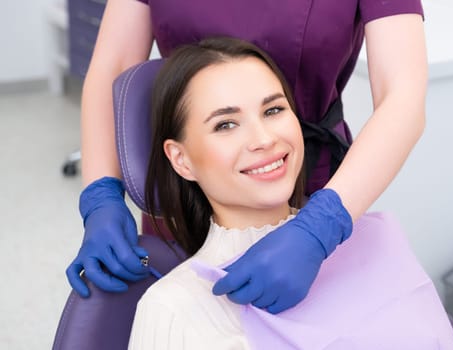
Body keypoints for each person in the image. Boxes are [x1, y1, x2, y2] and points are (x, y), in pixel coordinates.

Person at [67, 0, 427, 314]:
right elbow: (113, 67)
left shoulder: (323, 222)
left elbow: (403, 96)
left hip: (309, 195)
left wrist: (321, 227)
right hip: (189, 193)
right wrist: (100, 196)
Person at [128, 37, 453, 349]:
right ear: (181, 160)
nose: (265, 138)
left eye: (273, 110)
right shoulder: (173, 307)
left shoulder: (376, 242)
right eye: (226, 124)